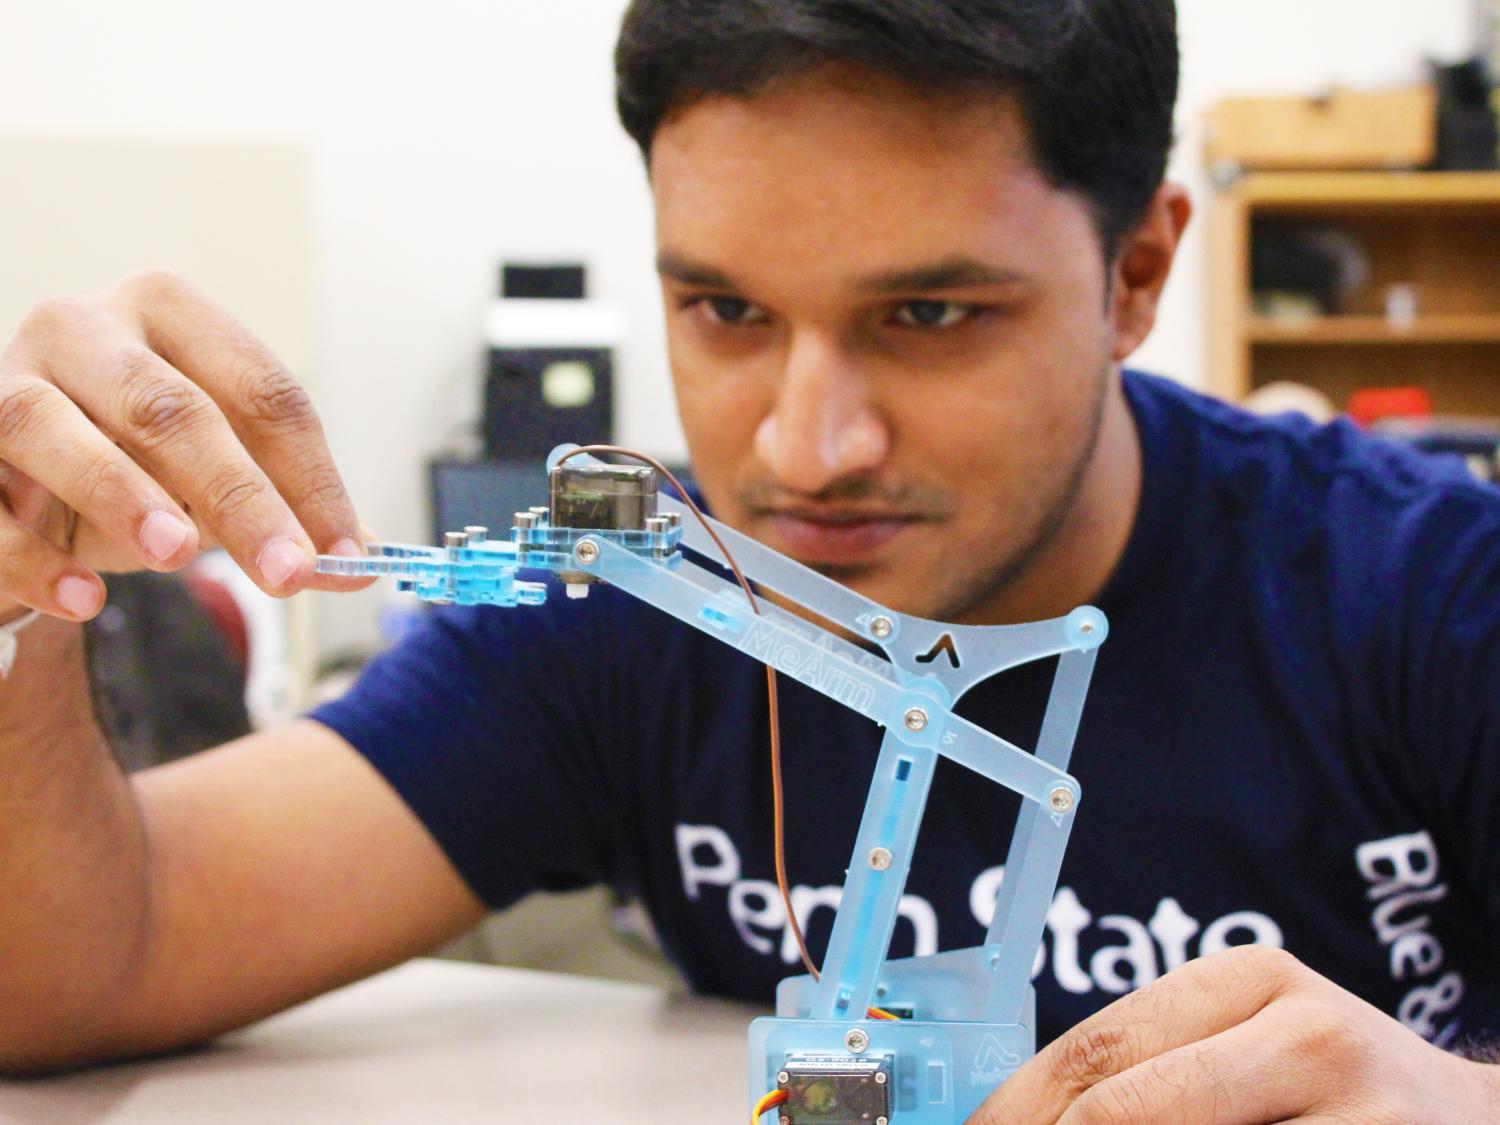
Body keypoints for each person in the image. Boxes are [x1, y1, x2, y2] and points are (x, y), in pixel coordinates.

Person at [1, 0, 1497, 1118]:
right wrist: (16, 611)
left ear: (1137, 276)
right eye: (725, 310)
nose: (802, 446)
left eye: (930, 314)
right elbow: (84, 964)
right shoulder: (638, 596)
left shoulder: (1430, 595)